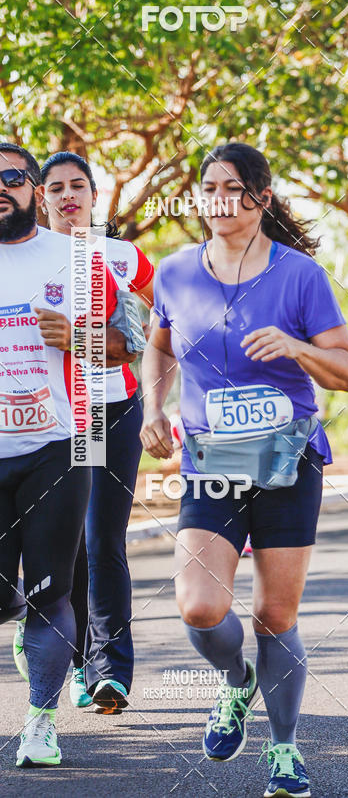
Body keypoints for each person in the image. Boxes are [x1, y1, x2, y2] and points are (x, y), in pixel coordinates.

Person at [141, 143, 348, 798]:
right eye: (206, 186)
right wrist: (154, 406)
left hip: (287, 459)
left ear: (261, 199)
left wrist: (296, 346)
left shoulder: (299, 276)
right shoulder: (177, 272)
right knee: (200, 607)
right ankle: (237, 683)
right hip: (213, 460)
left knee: (273, 615)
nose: (215, 198)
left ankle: (285, 752)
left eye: (230, 187)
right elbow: (158, 347)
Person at [0, 142, 119, 766]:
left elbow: (126, 346)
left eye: (14, 176)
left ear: (34, 191)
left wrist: (79, 337)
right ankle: (18, 613)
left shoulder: (75, 260)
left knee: (53, 591)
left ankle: (40, 722)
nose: (2, 186)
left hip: (60, 444)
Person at [36, 151, 154, 713]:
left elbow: (134, 342)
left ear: (93, 194)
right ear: (42, 199)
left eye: (77, 186)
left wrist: (76, 341)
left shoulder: (125, 258)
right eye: (54, 187)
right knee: (70, 544)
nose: (67, 196)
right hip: (56, 418)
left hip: (114, 409)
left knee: (105, 539)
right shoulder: (24, 258)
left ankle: (111, 672)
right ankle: (76, 658)